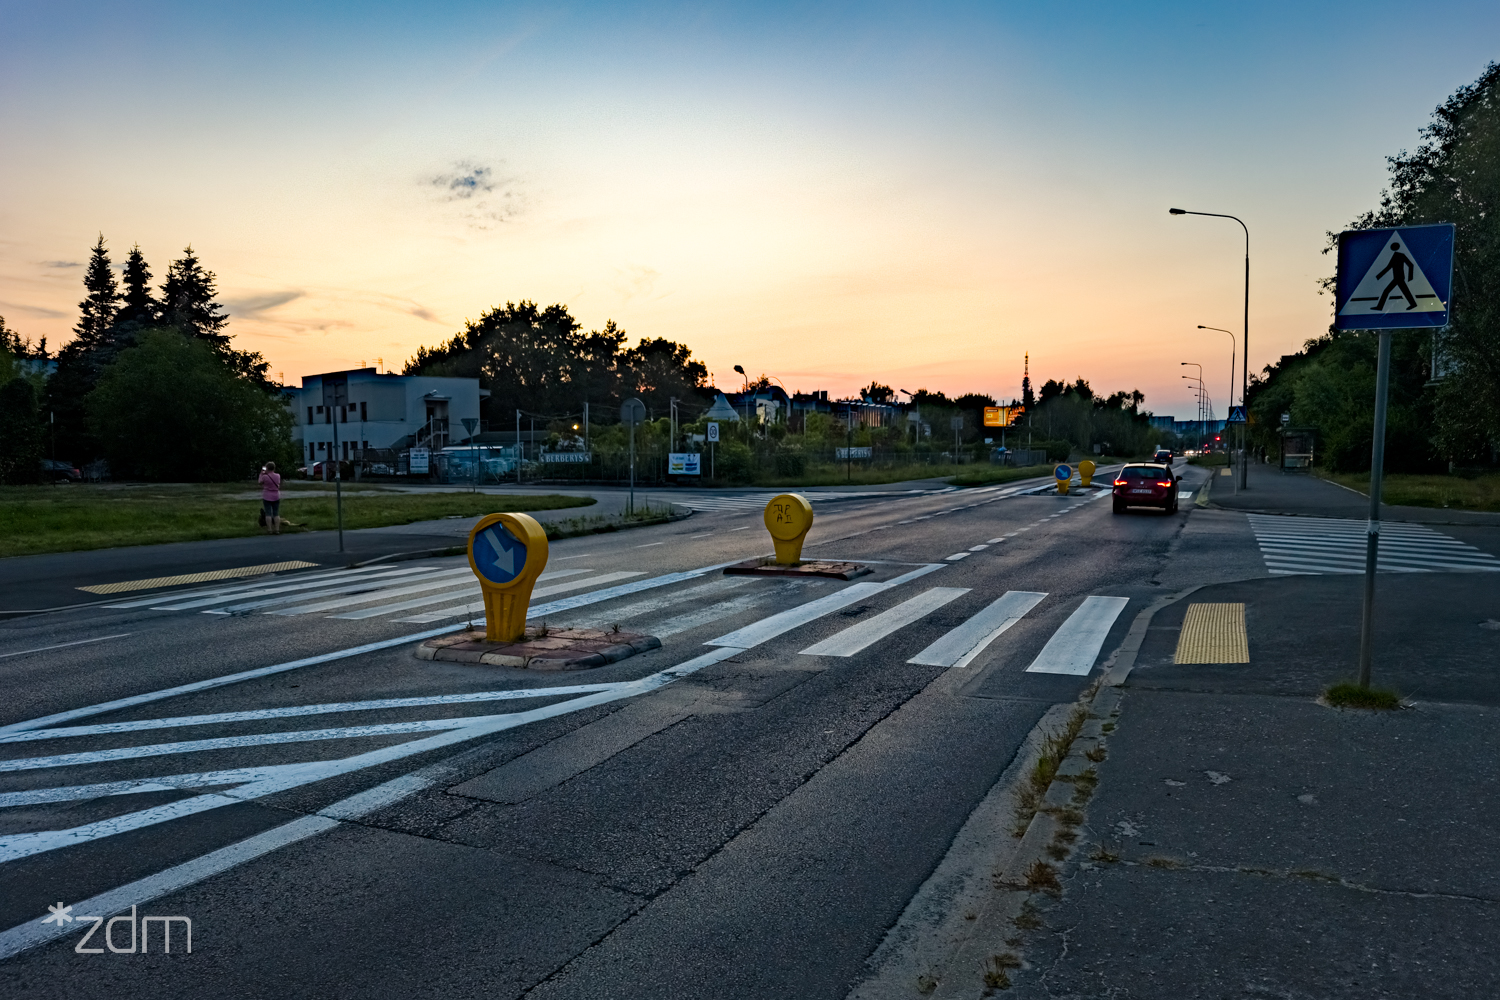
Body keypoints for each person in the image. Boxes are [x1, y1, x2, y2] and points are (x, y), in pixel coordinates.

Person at [259, 461, 282, 535]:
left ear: (267, 468)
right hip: (276, 496)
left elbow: (260, 482)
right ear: (274, 468)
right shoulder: (278, 475)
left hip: (267, 496)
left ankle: (269, 530)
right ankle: (277, 529)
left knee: (268, 513)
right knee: (276, 513)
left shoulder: (265, 476)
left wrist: (262, 473)